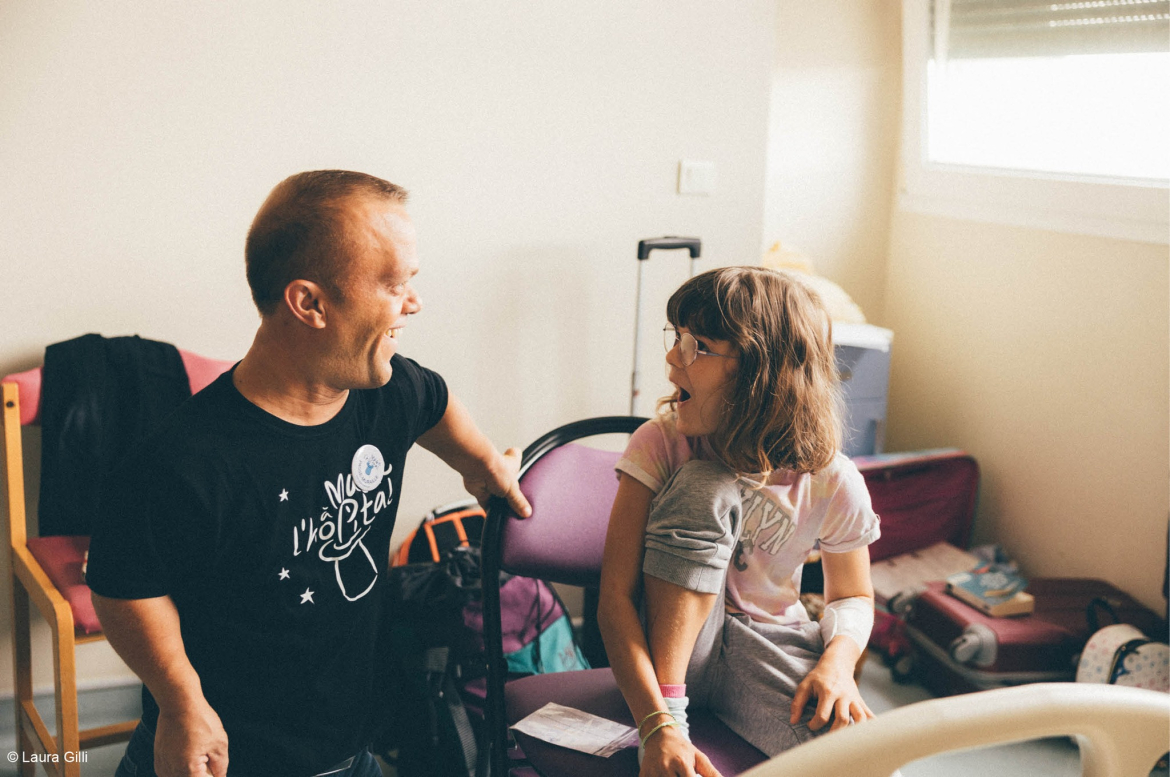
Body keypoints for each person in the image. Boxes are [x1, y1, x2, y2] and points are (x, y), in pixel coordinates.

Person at [87, 170, 532, 777]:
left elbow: (435, 402)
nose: (414, 303)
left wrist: (482, 465)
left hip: (350, 751)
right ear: (310, 303)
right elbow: (123, 585)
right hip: (226, 756)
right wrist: (180, 700)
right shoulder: (181, 460)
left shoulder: (390, 391)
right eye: (394, 284)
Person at [598, 266, 880, 777]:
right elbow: (614, 598)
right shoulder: (660, 445)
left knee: (867, 761)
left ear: (760, 372)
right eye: (676, 339)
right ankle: (674, 715)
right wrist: (660, 727)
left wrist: (837, 663)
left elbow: (852, 597)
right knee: (708, 483)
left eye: (696, 345)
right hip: (672, 658)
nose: (671, 360)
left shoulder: (831, 477)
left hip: (767, 646)